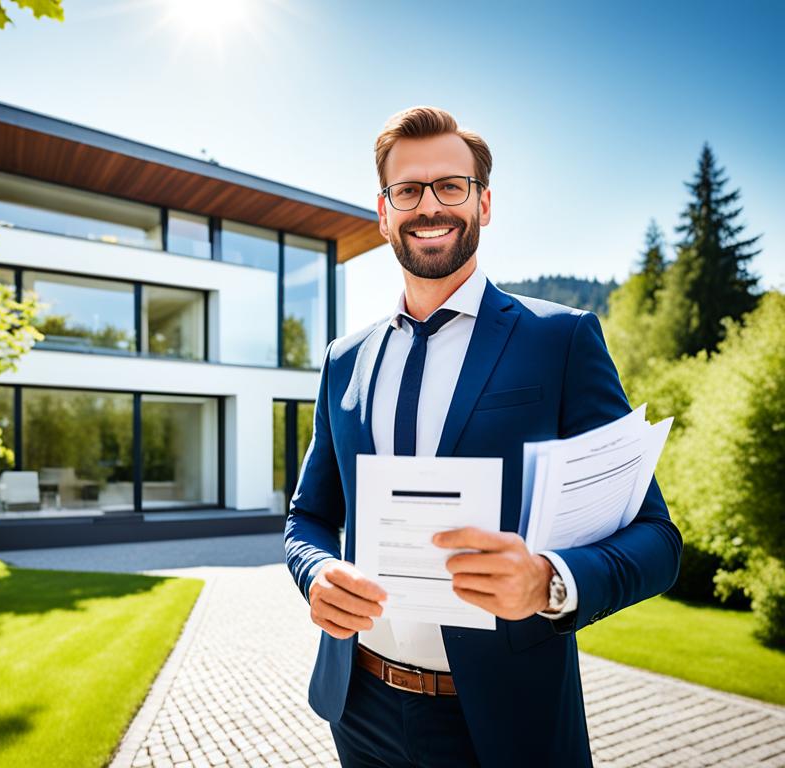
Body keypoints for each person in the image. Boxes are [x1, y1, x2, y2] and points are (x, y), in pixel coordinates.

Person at [284, 106, 683, 768]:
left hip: (503, 722)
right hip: (359, 706)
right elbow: (309, 516)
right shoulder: (343, 359)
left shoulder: (559, 340)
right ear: (383, 212)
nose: (429, 205)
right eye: (407, 190)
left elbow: (657, 540)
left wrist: (549, 581)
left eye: (451, 186)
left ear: (484, 203)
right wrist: (317, 572)